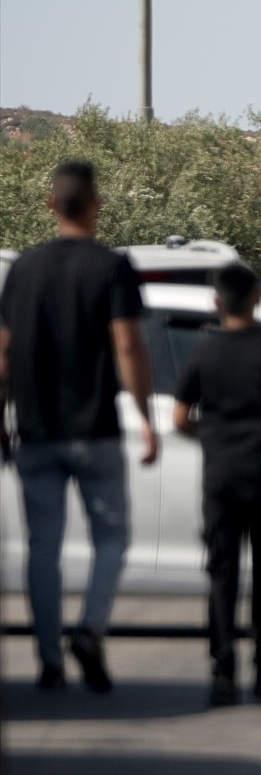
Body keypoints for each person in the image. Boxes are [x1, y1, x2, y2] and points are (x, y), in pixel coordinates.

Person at [0, 160, 157, 693]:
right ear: (97, 204)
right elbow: (128, 346)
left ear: (50, 205)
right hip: (94, 431)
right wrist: (145, 417)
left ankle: (48, 660)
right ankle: (90, 629)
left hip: (36, 431)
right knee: (111, 536)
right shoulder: (112, 269)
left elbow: (2, 354)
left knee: (42, 545)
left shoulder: (22, 271)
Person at [172, 263, 261, 707]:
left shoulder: (203, 354)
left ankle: (222, 673)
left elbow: (179, 418)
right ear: (258, 298)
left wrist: (212, 436)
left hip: (220, 480)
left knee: (222, 575)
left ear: (217, 303)